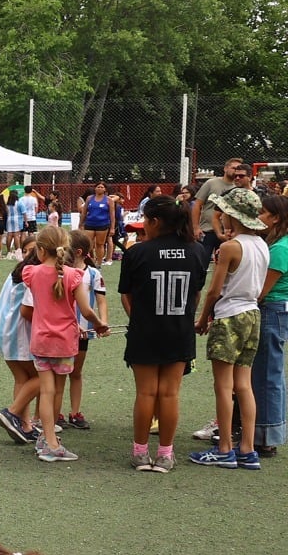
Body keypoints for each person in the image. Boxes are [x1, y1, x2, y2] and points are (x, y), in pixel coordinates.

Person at [120, 195, 209, 472]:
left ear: (155, 221)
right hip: (179, 331)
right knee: (170, 394)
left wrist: (141, 321)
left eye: (145, 220)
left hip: (145, 331)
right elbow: (195, 294)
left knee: (146, 394)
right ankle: (166, 454)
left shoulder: (136, 252)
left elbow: (127, 296)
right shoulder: (196, 252)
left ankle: (140, 452)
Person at [190, 186, 269, 469]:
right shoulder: (261, 244)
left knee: (223, 387)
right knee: (243, 386)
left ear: (232, 215)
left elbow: (214, 290)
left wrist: (202, 319)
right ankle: (247, 448)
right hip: (252, 314)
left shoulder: (230, 247)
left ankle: (224, 448)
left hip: (230, 315)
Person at [21, 225, 110, 463]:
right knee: (56, 391)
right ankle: (51, 442)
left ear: (40, 251)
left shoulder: (32, 272)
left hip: (41, 341)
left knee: (46, 392)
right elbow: (86, 310)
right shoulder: (73, 275)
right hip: (64, 342)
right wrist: (100, 324)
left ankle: (46, 438)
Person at [0, 233, 44, 445]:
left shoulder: (18, 269)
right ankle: (11, 413)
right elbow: (27, 310)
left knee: (22, 378)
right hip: (18, 332)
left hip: (3, 329)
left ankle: (24, 426)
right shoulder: (34, 274)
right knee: (44, 376)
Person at [250, 193, 288, 457]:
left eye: (262, 213)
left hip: (272, 309)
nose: (258, 218)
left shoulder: (279, 249)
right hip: (279, 309)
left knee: (266, 374)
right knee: (271, 373)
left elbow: (261, 291)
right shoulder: (279, 245)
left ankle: (266, 435)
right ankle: (269, 431)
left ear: (275, 218)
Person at [62, 230, 108, 431]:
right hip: (63, 330)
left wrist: (102, 323)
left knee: (76, 371)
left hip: (83, 332)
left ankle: (75, 412)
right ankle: (56, 412)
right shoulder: (61, 271)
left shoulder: (93, 274)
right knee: (60, 371)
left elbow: (101, 300)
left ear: (78, 252)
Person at [192, 158, 250, 264]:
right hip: (207, 230)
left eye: (238, 169)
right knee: (201, 263)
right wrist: (196, 227)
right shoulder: (211, 183)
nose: (236, 171)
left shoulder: (237, 189)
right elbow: (197, 205)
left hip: (227, 233)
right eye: (233, 168)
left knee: (225, 265)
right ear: (225, 168)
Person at [77, 182, 118, 267]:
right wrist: (81, 224)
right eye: (98, 187)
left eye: (102, 187)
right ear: (95, 188)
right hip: (89, 224)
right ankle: (88, 261)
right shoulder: (89, 198)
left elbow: (112, 215)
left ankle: (99, 264)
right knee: (87, 244)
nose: (100, 188)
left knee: (100, 244)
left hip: (102, 225)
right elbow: (84, 212)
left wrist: (112, 228)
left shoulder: (108, 200)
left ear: (105, 189)